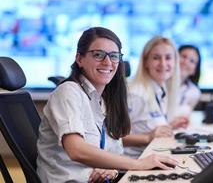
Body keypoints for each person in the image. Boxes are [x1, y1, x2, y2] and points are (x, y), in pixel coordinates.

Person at [36, 27, 177, 183]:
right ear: (79, 59)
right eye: (98, 55)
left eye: (114, 56)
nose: (108, 62)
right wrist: (138, 164)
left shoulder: (103, 101)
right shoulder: (68, 91)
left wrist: (111, 170)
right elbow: (76, 150)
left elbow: (111, 152)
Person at [123, 36, 189, 158]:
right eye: (156, 58)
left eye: (168, 58)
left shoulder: (160, 89)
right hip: (131, 165)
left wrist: (169, 126)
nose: (163, 64)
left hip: (152, 156)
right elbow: (113, 138)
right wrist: (148, 137)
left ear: (175, 62)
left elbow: (144, 124)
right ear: (146, 62)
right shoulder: (135, 94)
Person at [177, 45, 202, 116]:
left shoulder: (194, 92)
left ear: (195, 70)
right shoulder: (158, 84)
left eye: (192, 61)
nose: (186, 62)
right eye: (183, 56)